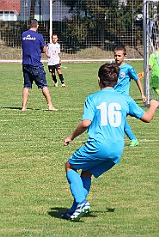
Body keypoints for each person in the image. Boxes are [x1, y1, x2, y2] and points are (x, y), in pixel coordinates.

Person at [61, 63, 158, 222]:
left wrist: (71, 137)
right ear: (116, 82)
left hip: (98, 145)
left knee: (70, 166)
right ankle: (74, 211)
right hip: (117, 149)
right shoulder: (124, 99)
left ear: (99, 80)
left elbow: (86, 123)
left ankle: (81, 202)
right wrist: (153, 106)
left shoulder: (93, 98)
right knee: (86, 172)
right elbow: (147, 118)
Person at [21, 19, 57, 111]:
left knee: (26, 86)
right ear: (37, 26)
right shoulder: (39, 36)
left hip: (25, 64)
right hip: (36, 64)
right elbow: (44, 49)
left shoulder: (23, 35)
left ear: (29, 25)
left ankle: (24, 107)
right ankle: (50, 105)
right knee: (43, 85)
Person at [114, 45, 147, 147]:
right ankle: (133, 139)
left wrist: (142, 94)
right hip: (115, 99)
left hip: (125, 99)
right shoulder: (112, 67)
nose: (117, 58)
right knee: (119, 120)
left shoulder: (128, 68)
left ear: (125, 56)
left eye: (119, 56)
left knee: (145, 117)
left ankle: (133, 139)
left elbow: (137, 80)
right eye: (115, 55)